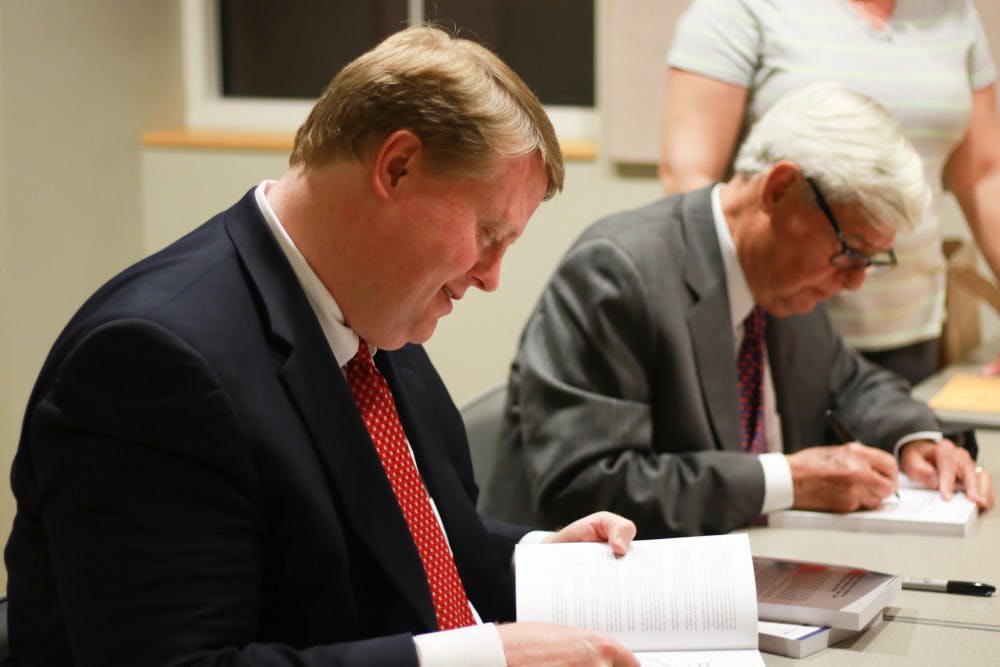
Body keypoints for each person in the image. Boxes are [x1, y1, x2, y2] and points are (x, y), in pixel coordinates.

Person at [4, 26, 643, 667]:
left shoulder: (367, 307)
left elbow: (395, 534)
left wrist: (533, 558)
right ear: (396, 168)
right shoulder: (149, 364)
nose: (491, 275)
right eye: (487, 232)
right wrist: (481, 658)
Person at [482, 82, 994, 538]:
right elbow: (589, 488)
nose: (856, 280)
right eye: (851, 250)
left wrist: (917, 438)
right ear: (779, 190)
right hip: (602, 599)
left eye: (871, 259)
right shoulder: (618, 274)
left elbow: (850, 381)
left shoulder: (787, 278)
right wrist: (786, 479)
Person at [659, 0, 1000, 385]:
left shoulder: (952, 14)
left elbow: (984, 177)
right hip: (776, 327)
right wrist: (734, 313)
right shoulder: (740, 9)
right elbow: (688, 176)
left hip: (909, 325)